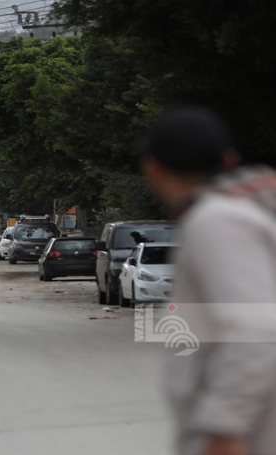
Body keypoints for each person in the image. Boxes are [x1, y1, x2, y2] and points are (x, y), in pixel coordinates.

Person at [140, 107, 276, 455]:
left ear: (152, 168)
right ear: (229, 161)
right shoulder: (250, 213)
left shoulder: (217, 221)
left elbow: (254, 330)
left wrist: (224, 430)